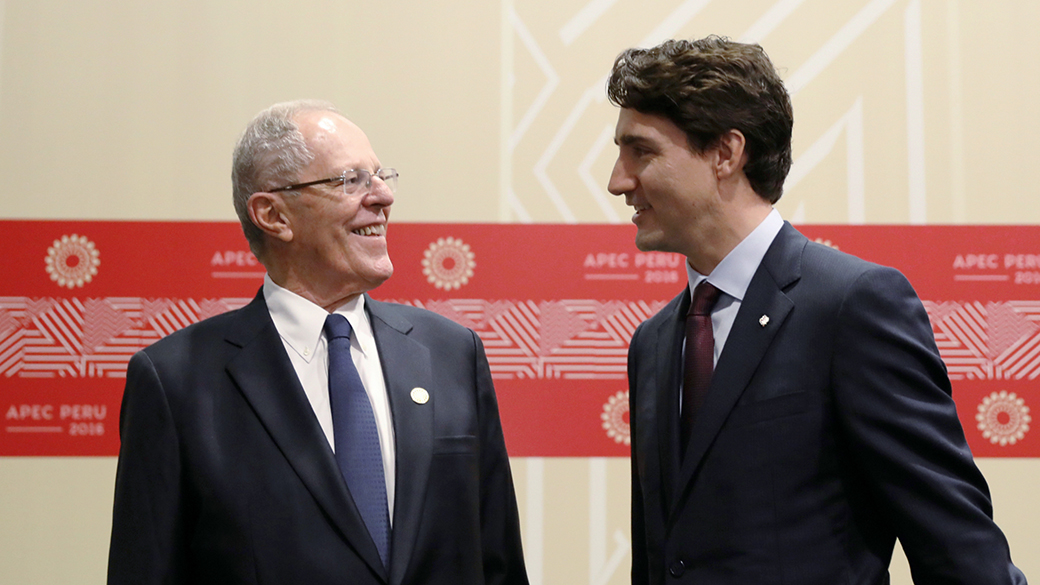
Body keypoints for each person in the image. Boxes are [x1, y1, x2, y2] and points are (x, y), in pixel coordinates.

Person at [606, 37, 1026, 584]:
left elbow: (959, 552)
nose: (618, 181)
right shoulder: (654, 342)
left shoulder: (855, 306)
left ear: (726, 154)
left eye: (641, 151)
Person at [108, 99, 529, 585]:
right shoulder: (176, 382)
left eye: (380, 176)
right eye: (350, 181)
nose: (383, 197)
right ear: (273, 215)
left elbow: (497, 561)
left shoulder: (452, 353)